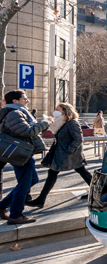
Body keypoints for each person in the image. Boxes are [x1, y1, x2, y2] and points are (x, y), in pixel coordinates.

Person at [26, 103, 93, 208]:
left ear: (65, 111)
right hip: (61, 153)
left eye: (58, 109)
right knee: (80, 172)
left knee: (56, 173)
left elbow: (78, 139)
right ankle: (41, 199)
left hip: (68, 154)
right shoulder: (60, 122)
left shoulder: (72, 123)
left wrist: (69, 150)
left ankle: (41, 199)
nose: (55, 111)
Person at [0, 90, 51, 224]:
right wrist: (45, 123)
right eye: (24, 99)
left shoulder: (18, 112)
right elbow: (27, 132)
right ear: (15, 101)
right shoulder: (14, 113)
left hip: (23, 151)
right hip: (21, 152)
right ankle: (16, 215)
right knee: (25, 183)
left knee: (32, 179)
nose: (27, 101)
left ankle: (2, 206)